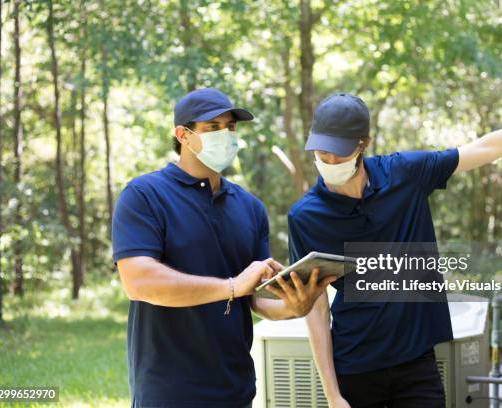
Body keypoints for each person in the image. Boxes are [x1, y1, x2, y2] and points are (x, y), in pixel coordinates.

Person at [289, 57, 502, 408]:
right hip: (354, 369)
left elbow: (483, 149)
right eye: (321, 152)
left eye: (338, 153)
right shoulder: (305, 217)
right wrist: (332, 395)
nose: (328, 161)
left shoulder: (405, 175)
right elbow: (316, 310)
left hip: (416, 363)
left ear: (362, 144)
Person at [111, 88, 336, 408]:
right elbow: (139, 282)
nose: (226, 135)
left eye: (230, 127)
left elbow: (255, 299)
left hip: (237, 391)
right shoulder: (144, 195)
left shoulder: (250, 207)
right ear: (183, 135)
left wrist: (294, 308)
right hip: (168, 392)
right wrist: (230, 286)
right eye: (212, 128)